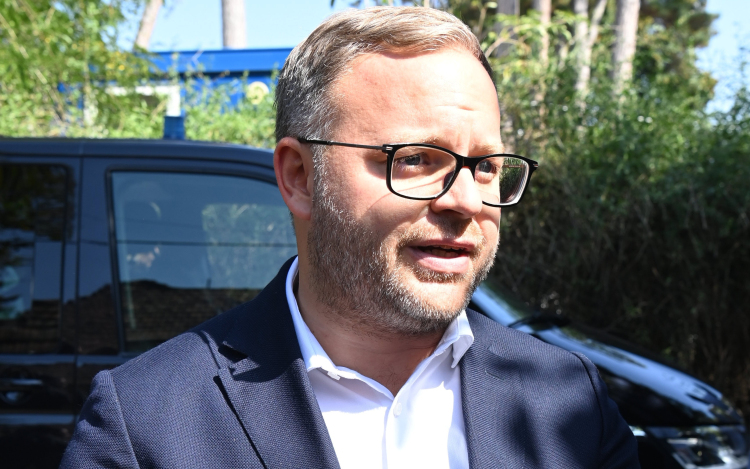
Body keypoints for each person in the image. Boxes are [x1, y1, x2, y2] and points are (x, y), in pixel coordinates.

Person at [61, 7, 639, 468]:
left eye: (486, 166)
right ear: (299, 176)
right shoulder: (146, 423)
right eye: (416, 159)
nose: (466, 200)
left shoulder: (570, 400)